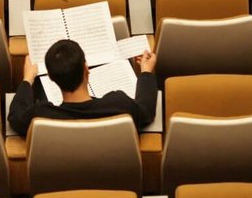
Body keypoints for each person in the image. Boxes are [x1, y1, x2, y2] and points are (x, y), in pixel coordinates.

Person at [8, 39, 158, 136]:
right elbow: (146, 110)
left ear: (52, 78)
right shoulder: (119, 105)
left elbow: (15, 117)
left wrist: (27, 79)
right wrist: (146, 71)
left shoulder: (41, 116)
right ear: (86, 69)